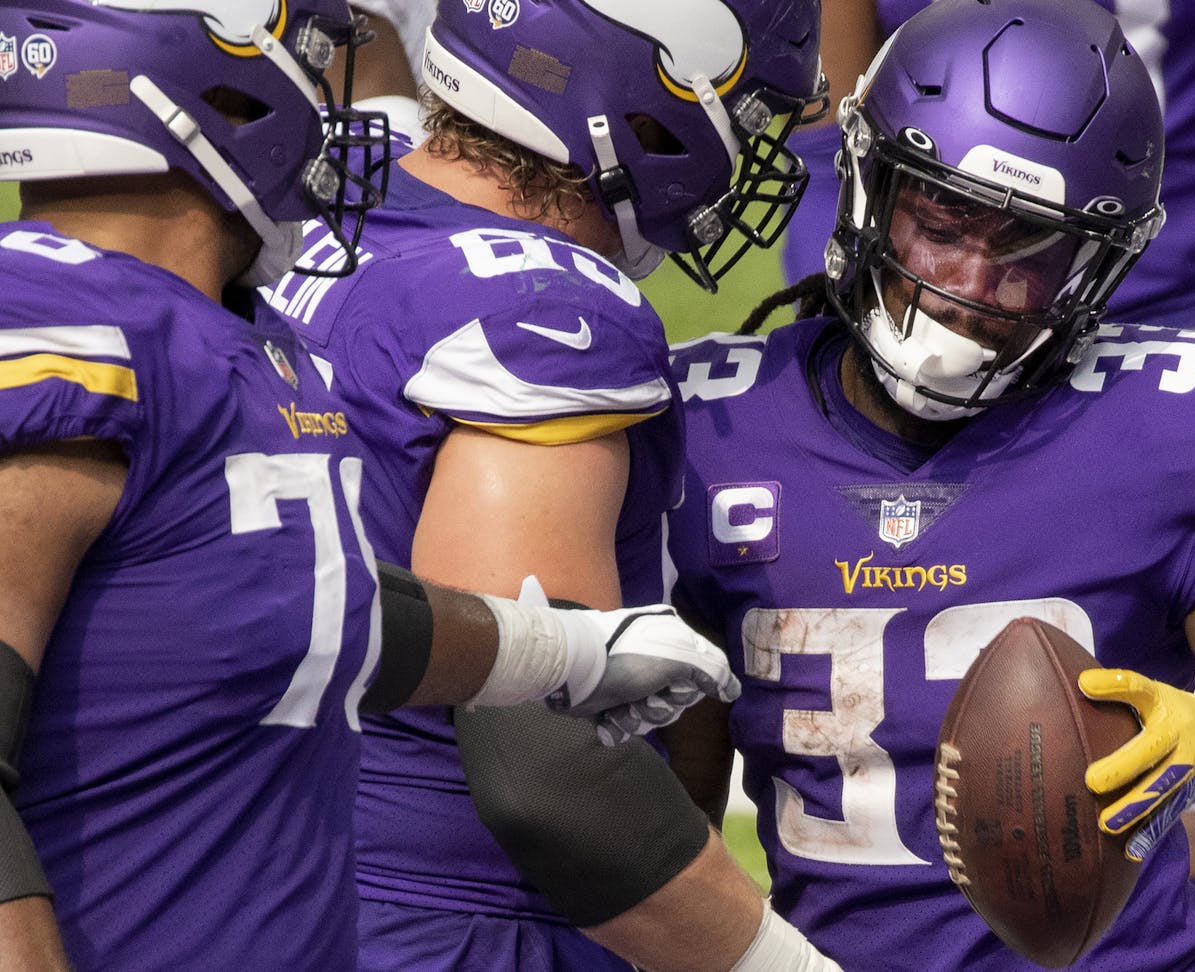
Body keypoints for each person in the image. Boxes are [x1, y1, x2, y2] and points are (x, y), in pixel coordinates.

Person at [662, 0, 1195, 969]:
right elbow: (654, 828)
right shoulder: (719, 426)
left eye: (1028, 249)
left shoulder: (1163, 425)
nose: (971, 283)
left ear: (1098, 268)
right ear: (866, 186)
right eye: (939, 222)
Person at [0, 2, 743, 969]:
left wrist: (562, 649)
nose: (331, 102)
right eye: (307, 62)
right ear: (214, 92)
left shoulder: (233, 334)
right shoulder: (61, 327)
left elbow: (291, 604)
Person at [260, 1, 838, 969]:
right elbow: (545, 769)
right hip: (456, 928)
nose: (744, 159)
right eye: (743, 119)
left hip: (255, 886)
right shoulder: (546, 308)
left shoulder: (319, 210)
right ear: (650, 100)